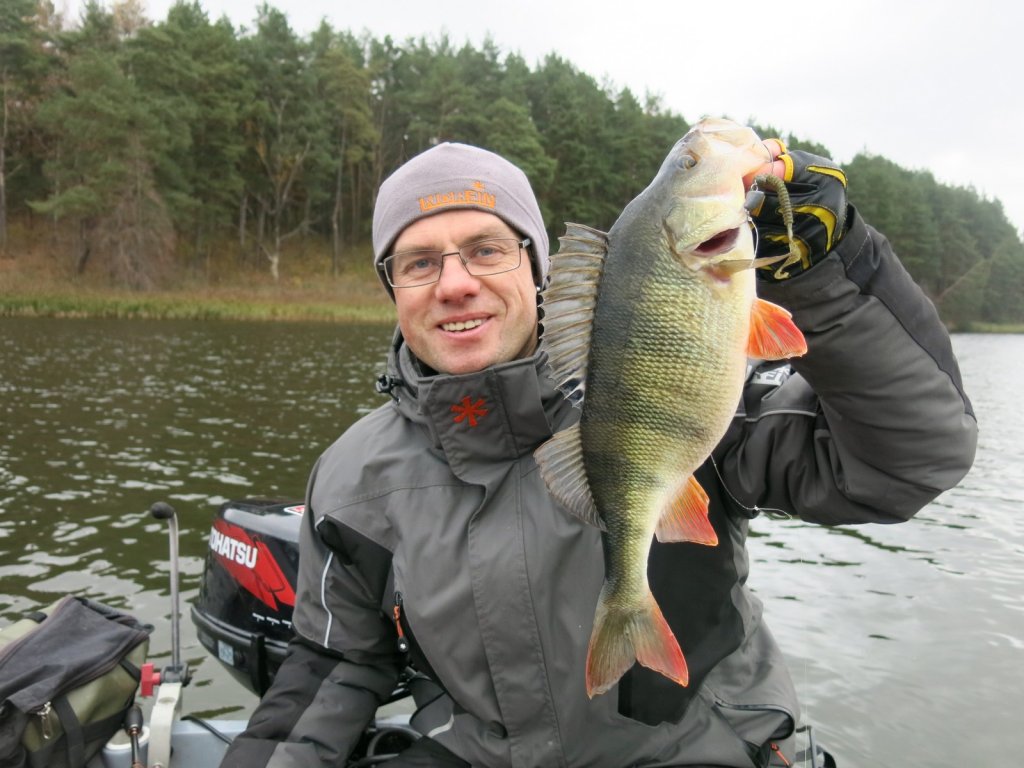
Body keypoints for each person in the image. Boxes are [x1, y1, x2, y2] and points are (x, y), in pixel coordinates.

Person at [220, 134, 977, 768]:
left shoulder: (696, 401)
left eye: (486, 248)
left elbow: (910, 461)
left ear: (539, 266)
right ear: (393, 288)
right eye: (419, 263)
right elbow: (337, 663)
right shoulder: (353, 478)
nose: (454, 284)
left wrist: (825, 268)